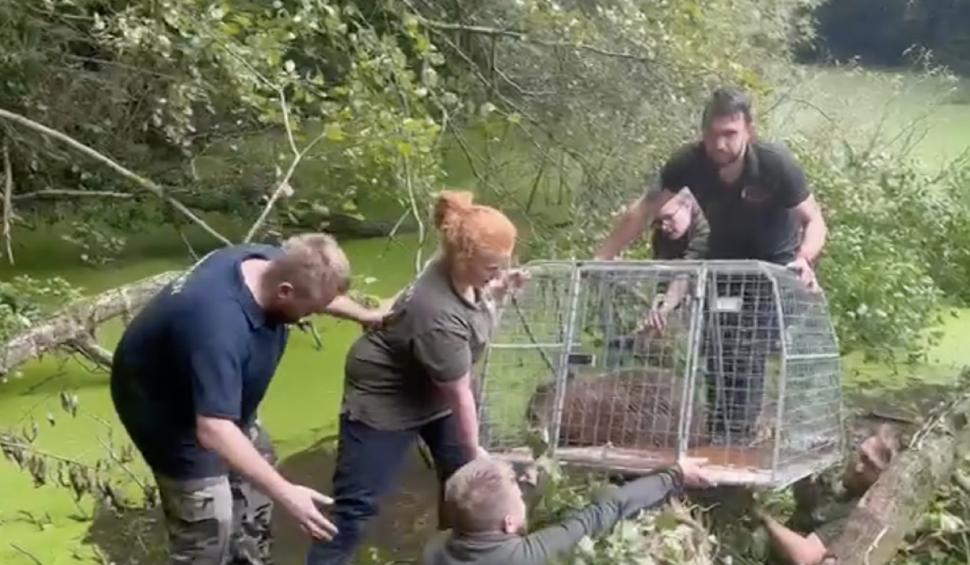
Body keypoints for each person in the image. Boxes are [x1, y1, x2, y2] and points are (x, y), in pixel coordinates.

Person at [110, 233, 385, 565]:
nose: (312, 315)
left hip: (223, 398)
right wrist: (289, 495)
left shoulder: (277, 263)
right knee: (209, 527)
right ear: (285, 292)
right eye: (310, 309)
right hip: (167, 412)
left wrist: (363, 315)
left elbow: (319, 293)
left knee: (258, 477)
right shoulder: (217, 324)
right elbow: (213, 429)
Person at [307, 191, 524, 564]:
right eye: (493, 268)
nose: (499, 274)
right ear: (464, 258)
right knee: (355, 508)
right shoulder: (435, 311)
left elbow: (474, 335)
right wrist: (477, 457)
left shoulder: (459, 269)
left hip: (433, 391)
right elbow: (460, 394)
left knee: (465, 492)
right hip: (385, 400)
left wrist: (497, 292)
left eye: (503, 266)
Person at [423, 456, 714, 565]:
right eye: (519, 499)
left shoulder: (434, 549)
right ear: (509, 523)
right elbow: (603, 511)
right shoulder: (526, 557)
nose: (522, 498)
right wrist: (674, 475)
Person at [756, 424, 901, 565]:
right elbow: (808, 506)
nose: (858, 467)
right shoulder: (845, 486)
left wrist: (763, 517)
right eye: (861, 455)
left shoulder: (861, 514)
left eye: (870, 466)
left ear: (884, 477)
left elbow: (805, 556)